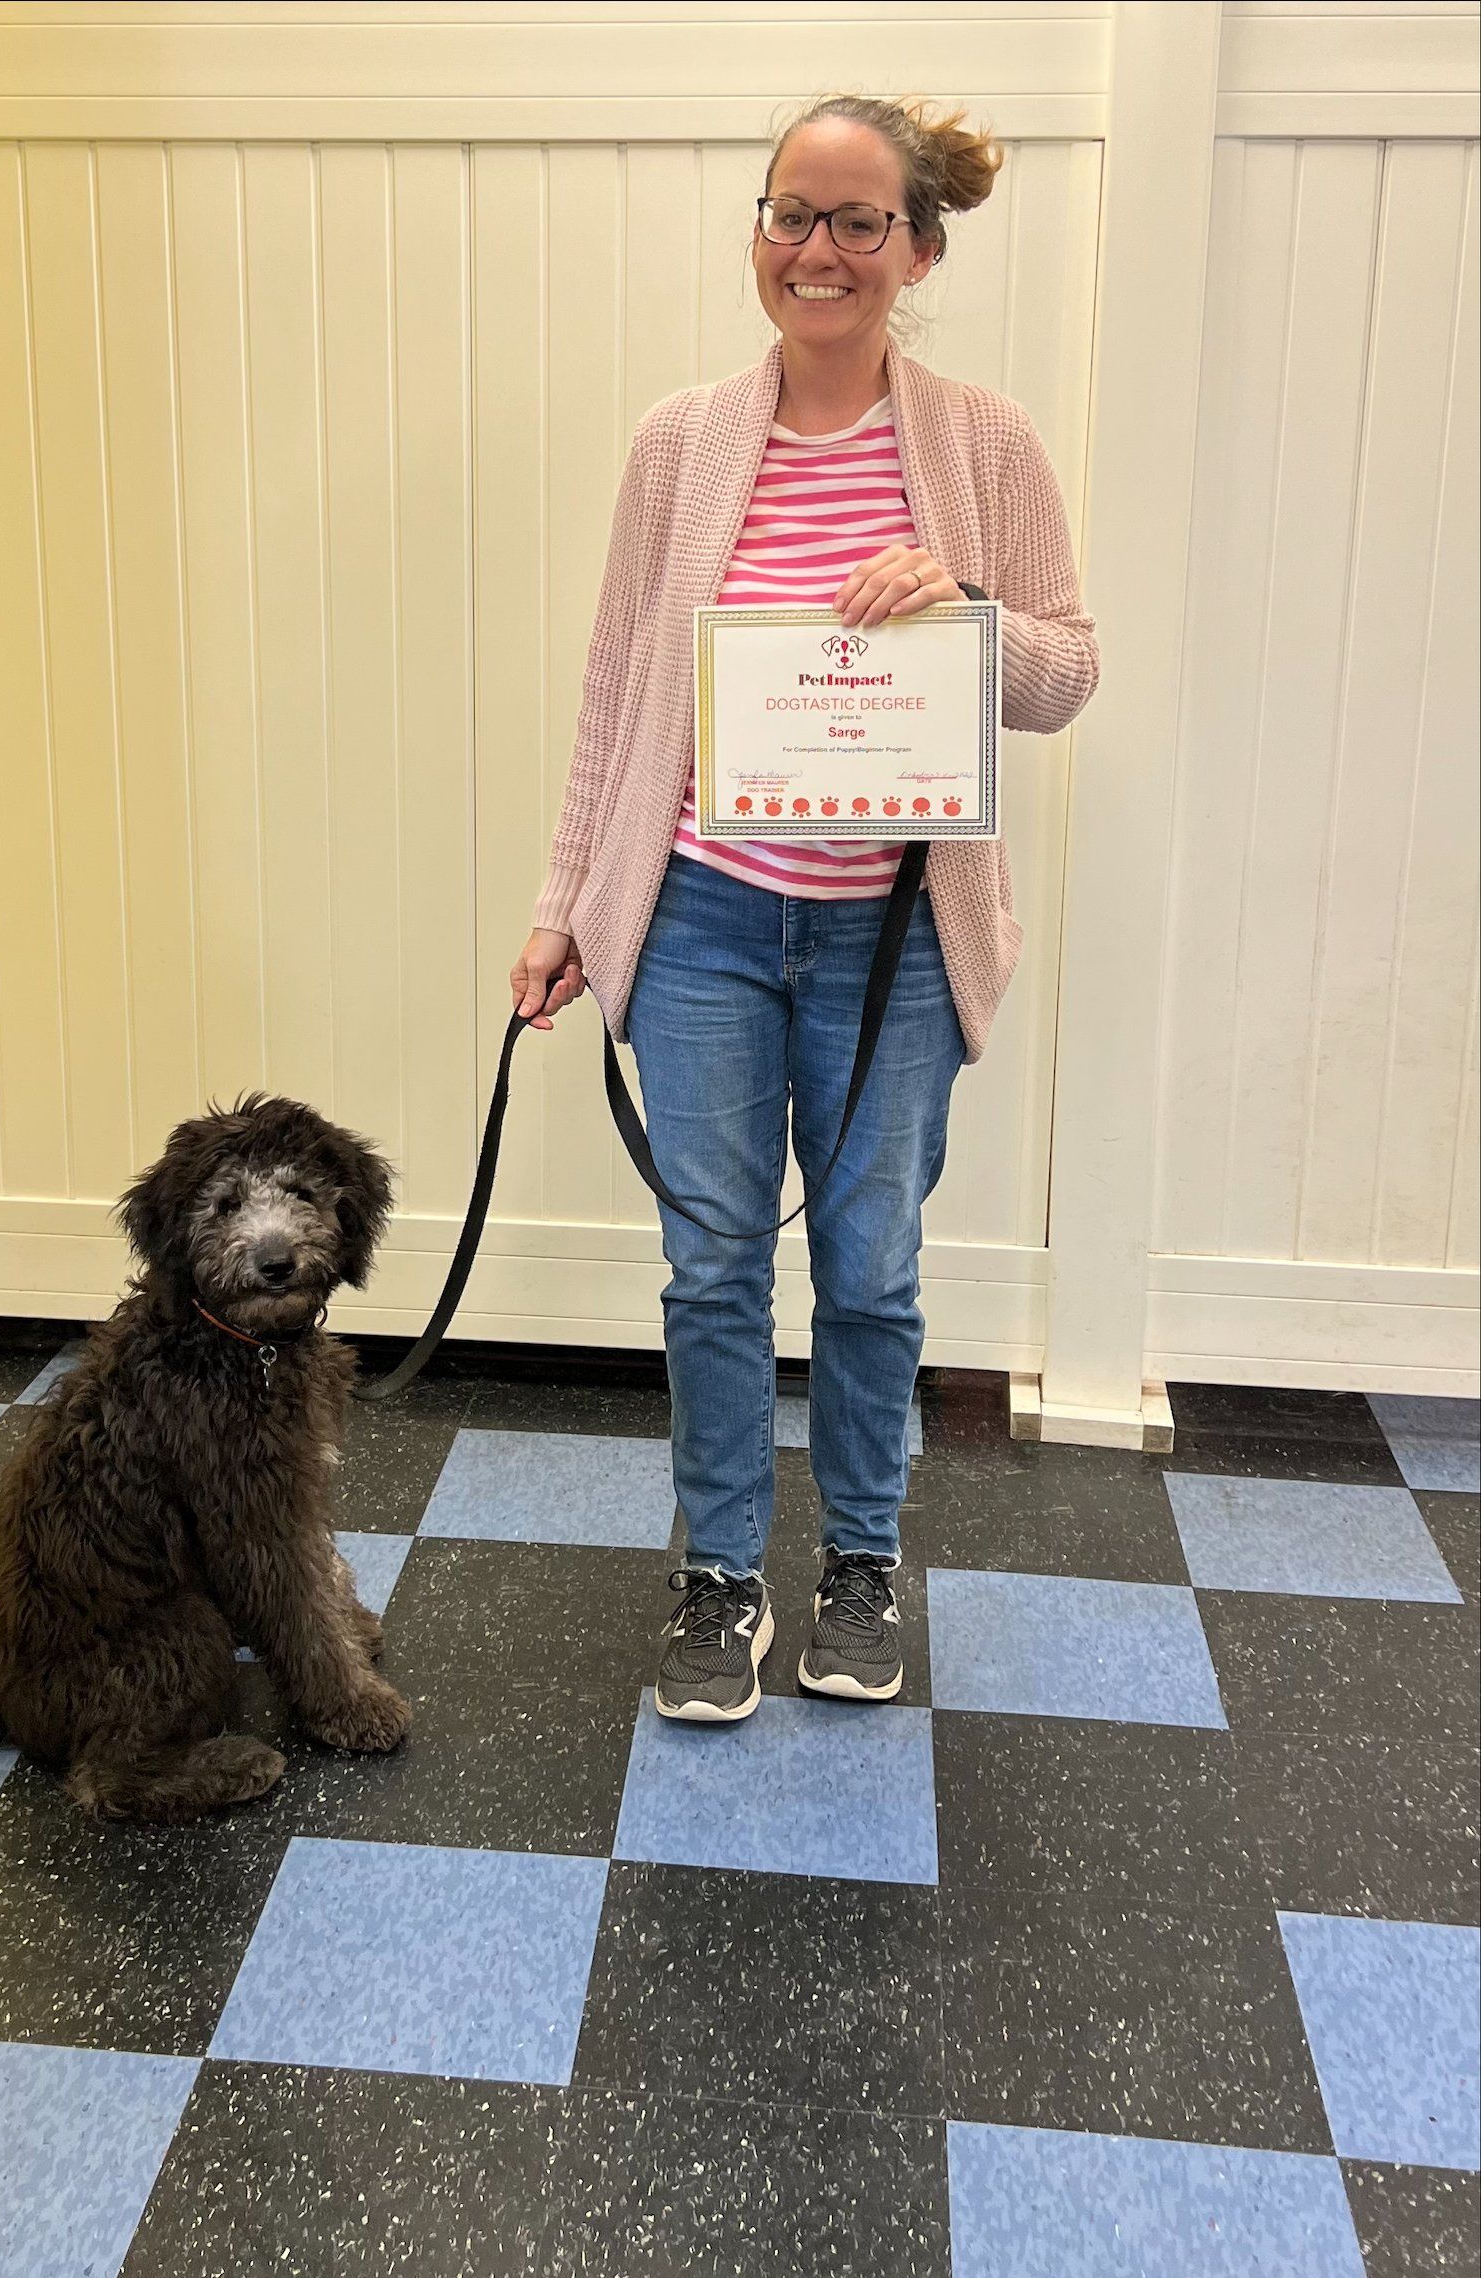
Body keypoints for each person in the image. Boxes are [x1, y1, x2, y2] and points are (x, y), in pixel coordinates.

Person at [509, 92, 1099, 1724]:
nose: (817, 251)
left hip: (895, 940)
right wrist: (566, 898)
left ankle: (857, 1562)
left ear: (916, 249)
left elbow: (1067, 672)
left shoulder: (982, 445)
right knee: (708, 1268)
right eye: (790, 215)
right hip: (702, 914)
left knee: (870, 1269)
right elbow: (621, 687)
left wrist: (972, 612)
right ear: (757, 233)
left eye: (855, 223)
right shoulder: (678, 443)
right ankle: (716, 1580)